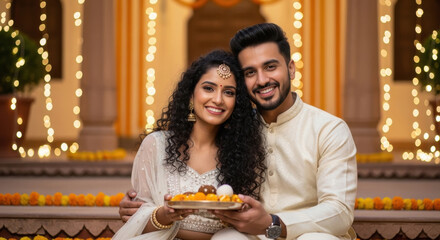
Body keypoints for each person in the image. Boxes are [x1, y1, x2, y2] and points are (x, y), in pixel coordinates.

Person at [119, 23, 358, 240]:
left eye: (270, 67)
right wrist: (145, 213)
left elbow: (339, 211)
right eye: (250, 72)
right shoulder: (237, 131)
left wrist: (273, 223)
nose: (262, 80)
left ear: (291, 69)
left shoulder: (328, 129)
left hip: (309, 234)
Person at [113, 50, 266, 240]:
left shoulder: (245, 153)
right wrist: (165, 215)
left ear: (236, 103)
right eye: (208, 88)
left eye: (228, 92)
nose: (218, 99)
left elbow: (255, 219)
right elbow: (135, 219)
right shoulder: (156, 146)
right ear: (191, 95)